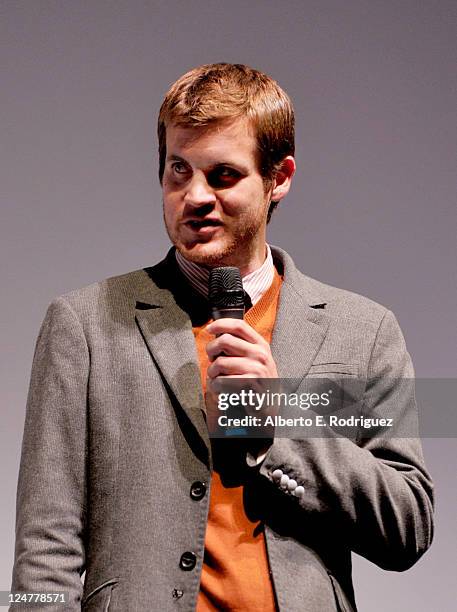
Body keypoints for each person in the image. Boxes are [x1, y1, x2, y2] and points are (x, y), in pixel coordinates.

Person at [11, 63, 434, 611]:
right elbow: (44, 547)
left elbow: (409, 527)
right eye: (178, 170)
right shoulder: (83, 324)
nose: (195, 196)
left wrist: (277, 426)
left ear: (278, 177)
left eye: (223, 175)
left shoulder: (364, 331)